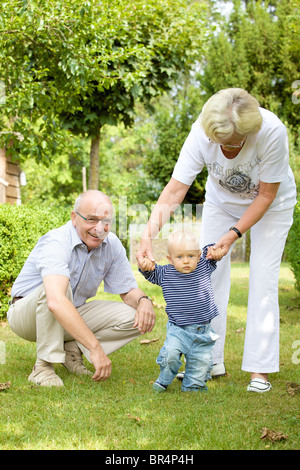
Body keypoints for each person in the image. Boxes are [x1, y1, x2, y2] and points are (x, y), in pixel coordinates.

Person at [137, 88, 297, 393]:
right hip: (222, 204)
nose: (222, 149)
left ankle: (259, 370)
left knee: (262, 278)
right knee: (206, 277)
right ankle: (208, 361)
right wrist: (148, 234)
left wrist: (234, 234)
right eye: (216, 142)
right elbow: (175, 190)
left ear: (247, 132)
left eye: (230, 144)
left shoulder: (272, 131)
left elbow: (266, 194)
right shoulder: (200, 132)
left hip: (272, 206)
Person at [7, 190, 155, 387]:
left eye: (106, 221)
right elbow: (55, 300)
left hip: (69, 312)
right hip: (27, 317)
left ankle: (72, 349)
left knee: (135, 315)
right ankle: (43, 367)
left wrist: (144, 301)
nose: (100, 228)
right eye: (92, 219)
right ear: (74, 217)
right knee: (57, 289)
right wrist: (94, 346)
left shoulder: (111, 244)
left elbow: (128, 291)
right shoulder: (56, 241)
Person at [139, 230, 222, 392]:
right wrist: (146, 266)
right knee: (170, 354)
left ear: (198, 256)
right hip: (178, 329)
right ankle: (164, 378)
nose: (186, 261)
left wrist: (216, 251)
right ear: (170, 259)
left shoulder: (203, 266)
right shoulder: (165, 273)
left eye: (191, 256)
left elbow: (212, 251)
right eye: (179, 257)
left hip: (202, 331)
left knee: (200, 363)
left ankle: (193, 385)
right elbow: (150, 273)